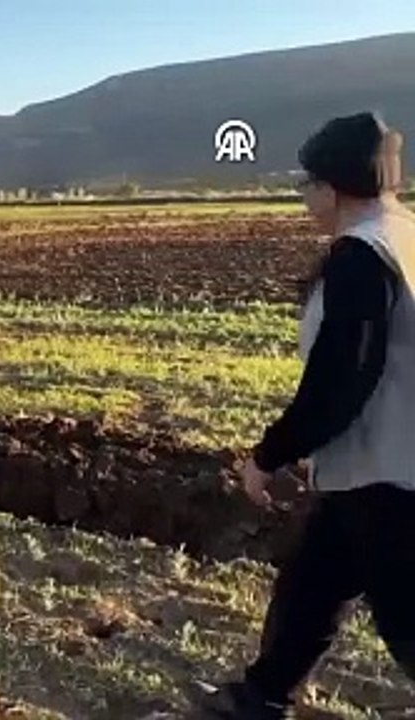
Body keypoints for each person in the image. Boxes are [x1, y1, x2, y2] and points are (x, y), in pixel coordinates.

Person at [193, 111, 415, 718]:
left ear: (332, 187)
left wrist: (271, 454)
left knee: (406, 617)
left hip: (390, 471)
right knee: (314, 583)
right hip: (370, 469)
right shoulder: (406, 236)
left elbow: (343, 378)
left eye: (305, 183)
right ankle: (262, 695)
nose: (302, 196)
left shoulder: (361, 256)